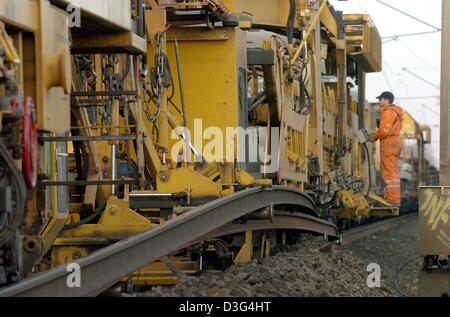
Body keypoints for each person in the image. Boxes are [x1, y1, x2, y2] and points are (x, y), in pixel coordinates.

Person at [371, 91, 403, 206]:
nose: (379, 101)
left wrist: (373, 137)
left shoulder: (388, 112)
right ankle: (393, 198)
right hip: (393, 142)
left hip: (388, 142)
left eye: (380, 99)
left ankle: (392, 199)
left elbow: (384, 131)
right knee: (391, 171)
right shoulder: (394, 112)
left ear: (386, 100)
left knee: (389, 172)